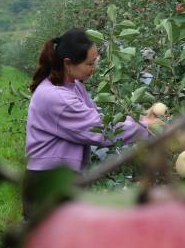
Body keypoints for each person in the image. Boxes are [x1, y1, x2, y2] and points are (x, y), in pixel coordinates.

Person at [24, 28, 158, 218]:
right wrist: (145, 125)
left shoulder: (73, 86)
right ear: (68, 63)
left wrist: (140, 118)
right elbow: (101, 130)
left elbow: (98, 118)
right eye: (89, 63)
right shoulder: (56, 97)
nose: (93, 68)